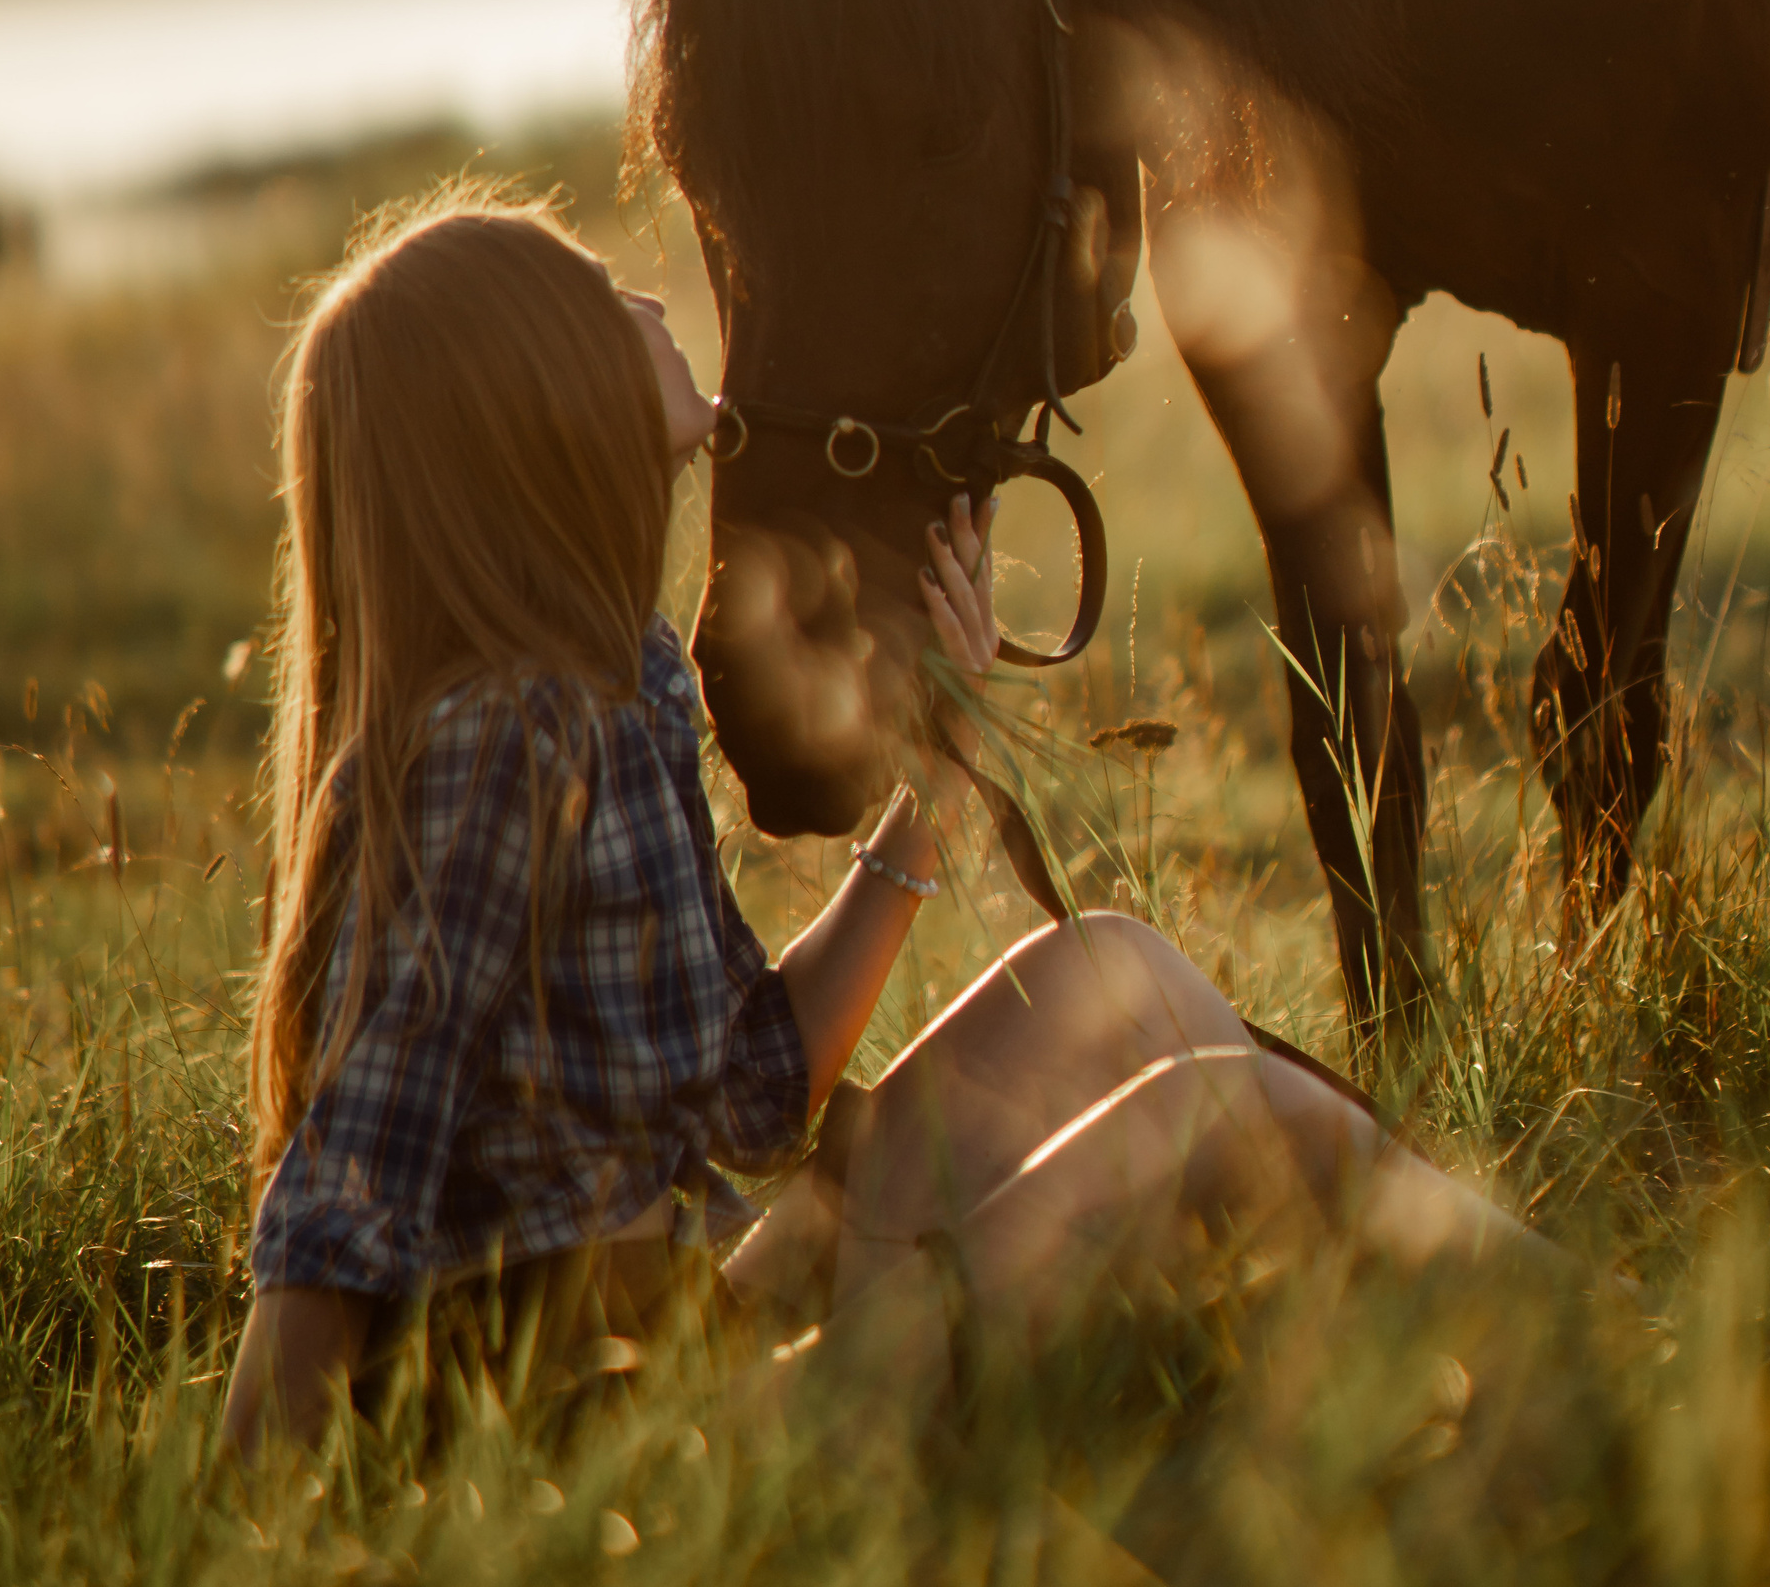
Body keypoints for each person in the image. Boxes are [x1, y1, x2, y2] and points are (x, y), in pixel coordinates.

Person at [220, 195, 1543, 1461]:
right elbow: (347, 1182)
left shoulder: (624, 681)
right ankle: (1606, 1348)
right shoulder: (497, 745)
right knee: (1234, 1109)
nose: (637, 294)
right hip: (645, 1432)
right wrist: (242, 1518)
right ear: (533, 404)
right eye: (590, 296)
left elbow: (752, 1091)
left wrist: (938, 769)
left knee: (1111, 971)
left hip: (702, 1317)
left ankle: (1398, 1370)